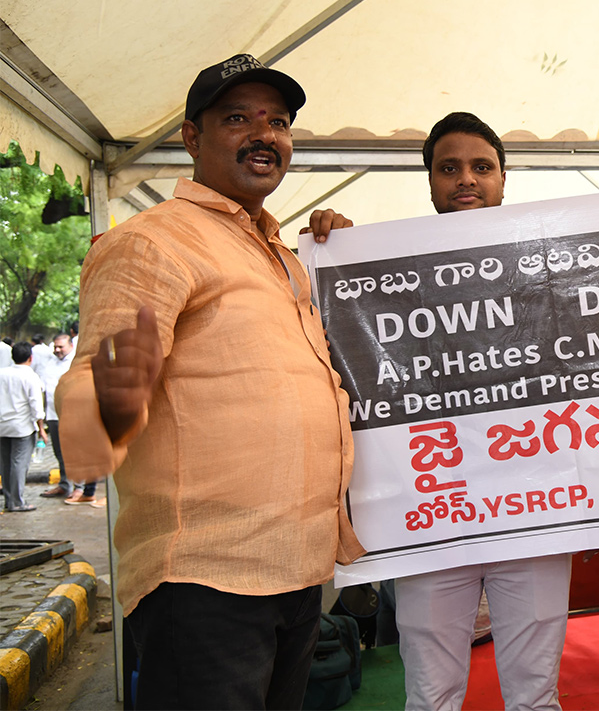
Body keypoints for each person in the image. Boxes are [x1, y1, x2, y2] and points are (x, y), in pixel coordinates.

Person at [56, 54, 365, 710]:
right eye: (237, 119)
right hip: (205, 584)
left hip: (296, 572)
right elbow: (90, 411)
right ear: (192, 138)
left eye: (278, 122)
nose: (265, 135)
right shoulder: (154, 242)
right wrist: (111, 401)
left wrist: (347, 254)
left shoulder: (282, 255)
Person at [312, 111, 573, 711]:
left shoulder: (548, 263)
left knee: (535, 694)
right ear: (429, 181)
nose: (466, 180)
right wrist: (334, 247)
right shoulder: (384, 268)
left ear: (504, 180)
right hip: (430, 513)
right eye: (448, 168)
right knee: (430, 694)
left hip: (531, 507)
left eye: (482, 167)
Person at [1, 341, 47, 512]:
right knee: (19, 464)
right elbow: (36, 406)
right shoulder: (31, 376)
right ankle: (17, 502)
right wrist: (41, 428)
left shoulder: (1, 373)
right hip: (22, 427)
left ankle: (9, 500)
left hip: (2, 426)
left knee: (5, 464)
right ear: (30, 358)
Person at [38, 334, 82, 500]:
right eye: (55, 347)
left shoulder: (76, 362)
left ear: (70, 345)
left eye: (60, 347)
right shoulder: (50, 362)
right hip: (53, 414)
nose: (57, 350)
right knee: (59, 452)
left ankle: (79, 487)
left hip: (73, 415)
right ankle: (65, 484)